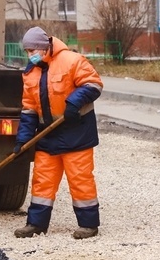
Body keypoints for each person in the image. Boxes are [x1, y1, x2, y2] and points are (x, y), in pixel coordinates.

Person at [13, 27, 104, 240]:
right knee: (42, 180)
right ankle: (35, 224)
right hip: (48, 134)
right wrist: (23, 139)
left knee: (80, 179)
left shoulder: (72, 61)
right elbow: (29, 109)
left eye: (32, 50)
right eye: (27, 51)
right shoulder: (30, 73)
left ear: (45, 48)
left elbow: (94, 84)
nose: (29, 55)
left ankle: (89, 225)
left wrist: (73, 102)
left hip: (77, 132)